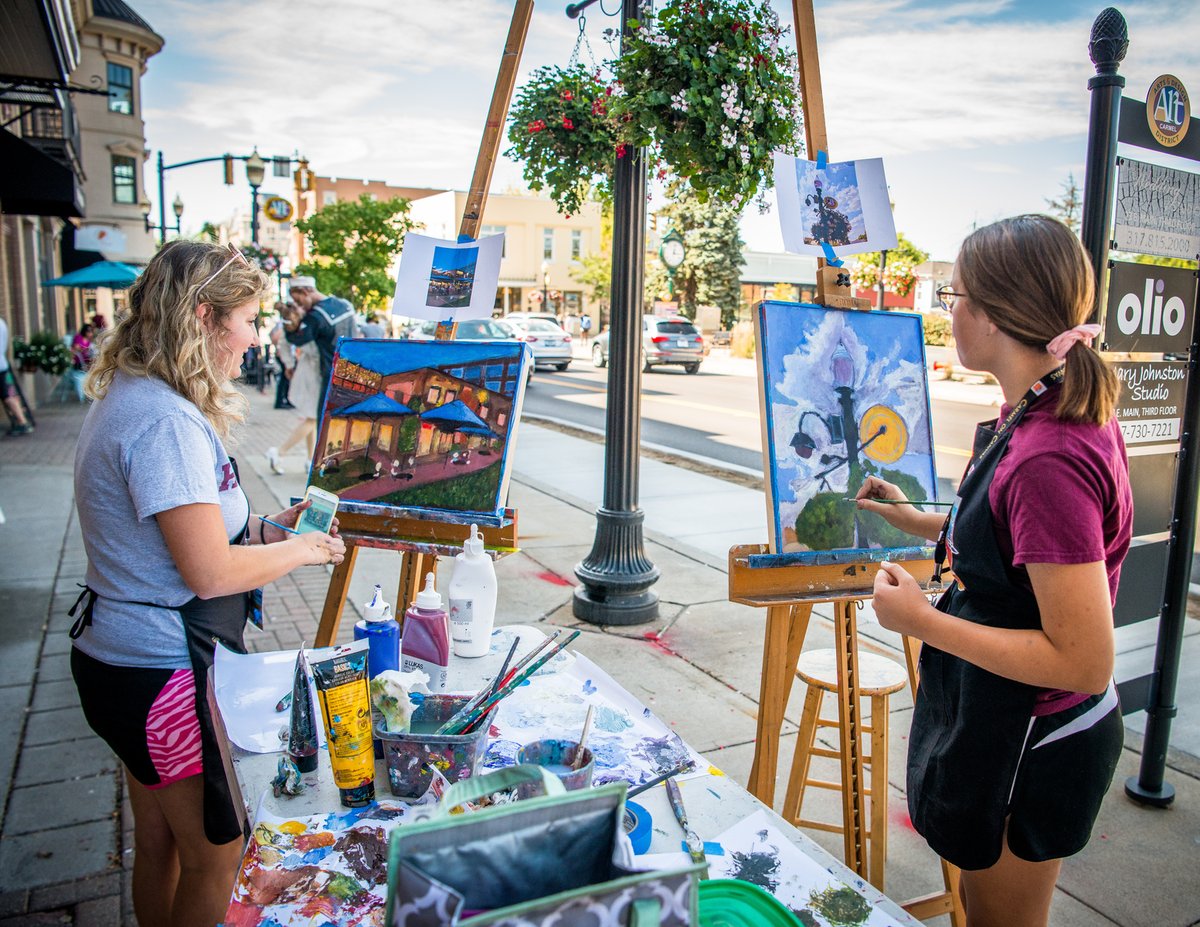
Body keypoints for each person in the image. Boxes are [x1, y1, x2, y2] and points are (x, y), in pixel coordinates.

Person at [854, 215, 1131, 927]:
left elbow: (1084, 659)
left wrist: (922, 621)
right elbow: (1012, 547)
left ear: (995, 314)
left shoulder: (1048, 456)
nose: (948, 311)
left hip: (1036, 737)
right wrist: (917, 520)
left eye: (955, 296)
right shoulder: (1037, 405)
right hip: (1011, 719)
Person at [70, 240, 345, 927]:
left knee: (161, 842)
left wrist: (270, 529)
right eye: (248, 320)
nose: (256, 337)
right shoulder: (163, 419)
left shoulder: (138, 396)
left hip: (122, 661)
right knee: (216, 856)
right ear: (203, 316)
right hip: (162, 672)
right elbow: (210, 570)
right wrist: (305, 549)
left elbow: (194, 535)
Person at [284, 275, 357, 419]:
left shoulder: (315, 316)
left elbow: (297, 338)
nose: (300, 306)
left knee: (324, 421)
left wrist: (290, 322)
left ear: (305, 292)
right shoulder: (345, 305)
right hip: (353, 372)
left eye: (298, 301)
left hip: (331, 375)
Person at [267, 305, 320, 475]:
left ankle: (310, 459)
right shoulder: (310, 325)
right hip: (315, 373)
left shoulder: (291, 330)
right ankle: (279, 452)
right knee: (312, 418)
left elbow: (282, 345)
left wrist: (289, 365)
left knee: (311, 417)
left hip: (304, 370)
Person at [0, 315, 33, 434]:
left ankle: (22, 422)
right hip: (3, 365)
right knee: (10, 394)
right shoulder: (2, 323)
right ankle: (22, 421)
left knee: (8, 396)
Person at [269, 302, 296, 409]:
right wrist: (279, 348)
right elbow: (275, 337)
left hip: (284, 354)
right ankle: (281, 401)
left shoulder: (282, 322)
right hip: (283, 354)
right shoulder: (285, 322)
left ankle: (285, 400)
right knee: (285, 378)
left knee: (285, 378)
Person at [69, 323, 96, 402]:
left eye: (91, 331)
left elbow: (89, 351)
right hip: (78, 362)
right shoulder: (78, 337)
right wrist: (85, 349)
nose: (90, 333)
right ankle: (89, 392)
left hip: (86, 361)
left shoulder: (88, 341)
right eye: (88, 331)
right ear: (84, 331)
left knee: (95, 363)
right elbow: (76, 347)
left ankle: (92, 392)